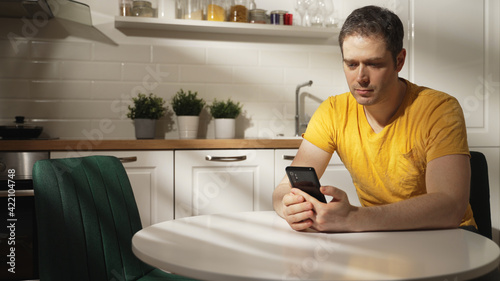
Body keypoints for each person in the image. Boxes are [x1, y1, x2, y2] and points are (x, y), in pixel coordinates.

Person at [273, 5, 476, 233]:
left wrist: (355, 218)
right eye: (351, 64)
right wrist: (288, 207)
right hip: (380, 237)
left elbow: (450, 208)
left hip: (449, 239)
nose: (360, 78)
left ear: (399, 61)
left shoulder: (439, 109)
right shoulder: (333, 111)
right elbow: (283, 189)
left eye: (374, 64)